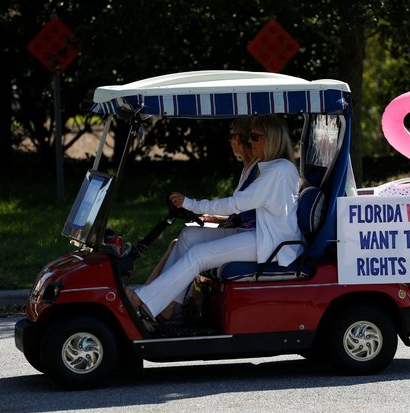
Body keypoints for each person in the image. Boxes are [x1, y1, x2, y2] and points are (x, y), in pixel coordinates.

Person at [126, 115, 301, 321]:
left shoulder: (279, 170)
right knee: (189, 235)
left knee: (199, 255)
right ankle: (166, 306)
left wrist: (191, 204)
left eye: (256, 137)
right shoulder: (270, 167)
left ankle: (141, 298)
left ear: (272, 139)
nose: (250, 141)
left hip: (269, 242)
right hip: (258, 234)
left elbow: (235, 204)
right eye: (249, 137)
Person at [144, 118, 258, 284]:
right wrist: (213, 218)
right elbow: (243, 211)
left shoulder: (260, 173)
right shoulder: (248, 170)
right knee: (183, 239)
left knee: (186, 246)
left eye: (231, 136)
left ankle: (152, 298)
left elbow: (239, 209)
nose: (229, 141)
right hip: (240, 232)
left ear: (238, 139)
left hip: (249, 238)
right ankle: (153, 295)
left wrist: (192, 204)